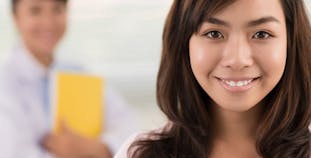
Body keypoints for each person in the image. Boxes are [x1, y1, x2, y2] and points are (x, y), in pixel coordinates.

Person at [115, 0, 311, 157]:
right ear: (184, 44)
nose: (237, 60)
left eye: (261, 34)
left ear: (291, 43)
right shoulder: (138, 154)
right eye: (214, 33)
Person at [0, 0, 136, 157]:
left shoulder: (80, 74)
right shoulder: (5, 82)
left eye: (57, 9)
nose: (48, 22)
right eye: (35, 11)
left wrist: (92, 148)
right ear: (15, 18)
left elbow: (130, 129)